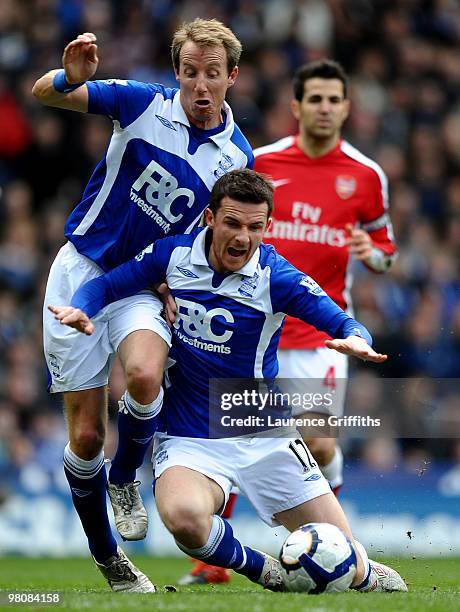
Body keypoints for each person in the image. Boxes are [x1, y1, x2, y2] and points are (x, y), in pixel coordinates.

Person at [49, 169, 407, 593]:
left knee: (347, 561)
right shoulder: (173, 255)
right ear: (209, 219)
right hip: (189, 433)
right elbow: (107, 285)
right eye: (233, 223)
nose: (243, 237)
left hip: (261, 426)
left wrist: (357, 340)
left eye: (255, 227)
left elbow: (342, 320)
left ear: (267, 227)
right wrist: (80, 307)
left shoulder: (277, 276)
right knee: (183, 518)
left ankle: (364, 571)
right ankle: (266, 571)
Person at [32, 19, 252, 592]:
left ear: (232, 76)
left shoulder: (236, 157)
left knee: (145, 375)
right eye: (188, 72)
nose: (199, 85)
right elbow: (42, 92)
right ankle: (107, 555)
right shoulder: (141, 104)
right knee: (84, 437)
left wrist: (185, 283)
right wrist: (68, 77)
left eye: (211, 74)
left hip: (144, 284)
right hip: (81, 272)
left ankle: (126, 476)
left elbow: (219, 237)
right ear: (176, 71)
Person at [253, 59, 397, 494]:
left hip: (323, 335)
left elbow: (386, 253)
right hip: (257, 329)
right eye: (315, 99)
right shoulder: (260, 162)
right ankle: (211, 566)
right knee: (239, 443)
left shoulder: (366, 175)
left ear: (347, 108)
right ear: (296, 106)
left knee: (316, 444)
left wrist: (372, 254)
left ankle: (330, 523)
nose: (325, 108)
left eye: (334, 100)